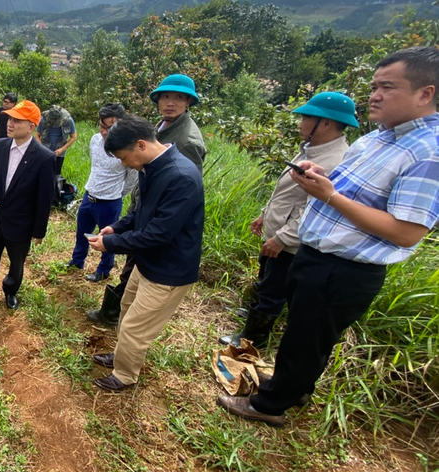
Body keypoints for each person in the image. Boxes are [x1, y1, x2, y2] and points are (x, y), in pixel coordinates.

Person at [218, 46, 439, 427]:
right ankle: (293, 385)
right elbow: (351, 193)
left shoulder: (427, 154)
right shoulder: (380, 139)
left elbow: (407, 232)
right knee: (303, 331)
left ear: (426, 93)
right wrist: (321, 179)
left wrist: (329, 194)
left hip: (346, 267)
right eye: (374, 85)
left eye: (387, 86)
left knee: (309, 336)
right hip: (317, 255)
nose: (375, 95)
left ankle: (269, 406)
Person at [220, 91, 357, 348]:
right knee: (267, 275)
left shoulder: (334, 160)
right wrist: (264, 214)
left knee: (274, 286)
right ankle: (255, 316)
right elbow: (288, 192)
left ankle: (253, 338)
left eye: (306, 118)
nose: (300, 123)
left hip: (290, 239)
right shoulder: (313, 149)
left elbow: (314, 209)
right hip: (277, 227)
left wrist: (283, 238)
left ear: (325, 123)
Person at [86, 115, 204, 391]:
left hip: (168, 270)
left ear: (140, 145)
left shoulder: (181, 176)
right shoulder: (153, 167)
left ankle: (125, 375)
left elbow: (160, 233)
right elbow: (141, 214)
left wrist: (112, 245)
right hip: (147, 262)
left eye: (124, 158)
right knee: (126, 310)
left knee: (136, 328)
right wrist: (115, 228)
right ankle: (122, 356)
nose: (124, 164)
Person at [87, 73, 206, 324]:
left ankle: (119, 322)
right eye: (165, 97)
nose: (170, 103)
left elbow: (179, 199)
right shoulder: (159, 128)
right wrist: (122, 226)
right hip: (144, 210)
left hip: (160, 229)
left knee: (135, 277)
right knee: (131, 275)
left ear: (188, 103)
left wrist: (115, 240)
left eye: (178, 98)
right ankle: (117, 319)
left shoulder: (187, 141)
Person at [0, 100, 56, 310]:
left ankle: (10, 291)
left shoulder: (44, 158)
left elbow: (45, 198)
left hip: (21, 221)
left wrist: (38, 231)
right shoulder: (0, 146)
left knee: (16, 263)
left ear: (31, 126)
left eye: (17, 120)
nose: (10, 123)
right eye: (10, 118)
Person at [65, 103, 138, 282]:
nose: (105, 132)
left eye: (110, 127)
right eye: (102, 126)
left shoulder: (128, 148)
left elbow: (132, 178)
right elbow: (96, 167)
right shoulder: (95, 140)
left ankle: (104, 270)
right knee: (82, 232)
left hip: (110, 202)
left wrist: (117, 194)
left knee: (107, 240)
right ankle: (77, 261)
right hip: (89, 195)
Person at [36, 104, 78, 174]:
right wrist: (42, 149)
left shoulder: (68, 120)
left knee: (56, 174)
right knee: (43, 173)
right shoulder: (44, 119)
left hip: (59, 152)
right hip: (45, 151)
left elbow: (73, 137)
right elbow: (37, 136)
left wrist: (62, 149)